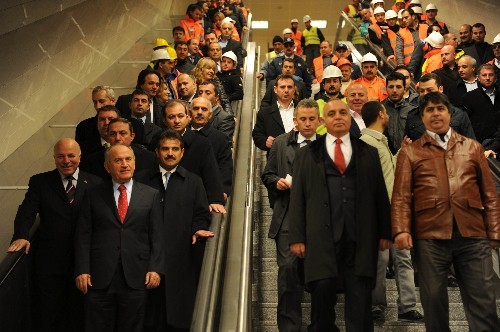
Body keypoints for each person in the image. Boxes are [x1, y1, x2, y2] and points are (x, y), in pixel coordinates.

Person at [392, 91, 500, 332]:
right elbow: (400, 196)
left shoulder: (473, 148)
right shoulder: (410, 153)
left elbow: (490, 195)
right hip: (429, 238)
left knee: (484, 303)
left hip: (472, 235)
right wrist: (400, 230)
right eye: (429, 110)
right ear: (422, 117)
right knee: (434, 305)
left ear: (450, 114)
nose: (436, 114)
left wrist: (494, 230)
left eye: (440, 108)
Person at [288, 98, 391, 331]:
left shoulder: (369, 152)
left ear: (350, 117)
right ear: (323, 121)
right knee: (322, 297)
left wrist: (385, 231)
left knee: (360, 302)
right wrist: (297, 237)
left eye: (342, 112)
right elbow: (298, 199)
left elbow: (379, 195)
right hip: (321, 239)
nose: (338, 117)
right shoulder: (307, 155)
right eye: (332, 113)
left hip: (360, 238)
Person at [7, 138, 100, 332]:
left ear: (80, 158)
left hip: (86, 264)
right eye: (60, 156)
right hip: (51, 264)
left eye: (71, 155)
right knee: (50, 316)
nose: (66, 160)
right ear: (54, 158)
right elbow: (26, 211)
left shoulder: (95, 183)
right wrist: (21, 235)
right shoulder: (40, 181)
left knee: (82, 316)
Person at [74, 144, 163, 332]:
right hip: (98, 278)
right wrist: (82, 269)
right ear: (107, 167)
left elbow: (157, 235)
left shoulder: (151, 195)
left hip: (136, 276)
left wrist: (155, 268)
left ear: (135, 163)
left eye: (128, 159)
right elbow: (83, 235)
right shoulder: (92, 194)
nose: (124, 164)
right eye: (118, 160)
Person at [135, 130, 214, 331]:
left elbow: (201, 213)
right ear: (157, 152)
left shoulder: (194, 181)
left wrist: (198, 229)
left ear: (182, 152)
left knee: (179, 319)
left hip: (181, 259)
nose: (170, 153)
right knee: (149, 319)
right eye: (165, 149)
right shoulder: (141, 180)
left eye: (174, 149)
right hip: (146, 260)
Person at [359, 102, 423, 323]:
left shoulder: (381, 141)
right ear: (380, 114)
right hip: (379, 212)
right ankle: (377, 305)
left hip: (395, 210)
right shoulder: (365, 143)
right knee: (380, 259)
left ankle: (407, 306)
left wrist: (400, 153)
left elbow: (389, 173)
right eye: (385, 112)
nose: (387, 115)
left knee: (403, 258)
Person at [261, 99, 321, 331]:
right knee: (287, 270)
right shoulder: (280, 143)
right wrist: (278, 183)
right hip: (287, 214)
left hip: (317, 218)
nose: (307, 123)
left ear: (319, 121)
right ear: (295, 120)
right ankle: (289, 327)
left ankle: (319, 323)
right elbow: (267, 175)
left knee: (319, 275)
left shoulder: (325, 145)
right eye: (302, 119)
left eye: (311, 119)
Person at [162, 99, 226, 213]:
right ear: (164, 121)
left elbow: (210, 173)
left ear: (188, 118)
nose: (177, 121)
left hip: (192, 202)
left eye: (180, 116)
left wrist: (215, 199)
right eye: (171, 117)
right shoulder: (157, 141)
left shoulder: (201, 143)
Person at [80, 117, 157, 180]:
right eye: (113, 134)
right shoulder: (93, 161)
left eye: (122, 133)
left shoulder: (149, 158)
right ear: (108, 137)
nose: (117, 138)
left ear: (132, 136)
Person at [405, 73, 475, 141]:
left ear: (440, 89)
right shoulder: (412, 116)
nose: (425, 94)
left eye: (430, 90)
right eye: (422, 91)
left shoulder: (459, 115)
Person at [190, 97, 233, 198]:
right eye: (196, 108)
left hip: (207, 192)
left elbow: (225, 167)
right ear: (189, 112)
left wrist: (223, 191)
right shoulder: (180, 135)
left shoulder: (220, 138)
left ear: (210, 115)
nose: (199, 112)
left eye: (204, 109)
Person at [252, 74, 296, 153]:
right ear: (275, 89)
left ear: (294, 89)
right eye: (282, 87)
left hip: (301, 158)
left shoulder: (302, 109)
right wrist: (266, 142)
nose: (286, 90)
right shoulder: (265, 112)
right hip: (276, 159)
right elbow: (257, 135)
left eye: (289, 87)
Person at [462, 64, 500, 150]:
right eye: (484, 75)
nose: (487, 78)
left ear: (495, 77)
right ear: (478, 78)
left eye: (491, 75)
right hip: (482, 144)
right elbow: (466, 124)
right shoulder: (469, 97)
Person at [76, 86, 117, 157]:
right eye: (95, 102)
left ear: (113, 101)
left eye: (101, 101)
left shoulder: (128, 123)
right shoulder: (83, 127)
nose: (98, 106)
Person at [382, 72, 417, 153]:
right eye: (391, 87)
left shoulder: (413, 110)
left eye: (398, 87)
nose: (394, 90)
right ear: (386, 88)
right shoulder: (379, 110)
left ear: (404, 89)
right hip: (384, 157)